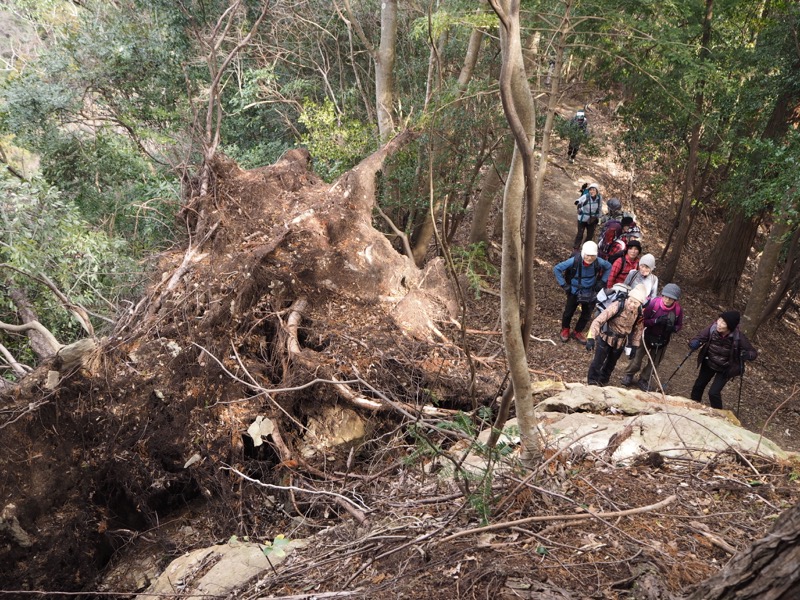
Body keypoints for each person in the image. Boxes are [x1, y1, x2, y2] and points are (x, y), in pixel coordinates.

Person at [688, 311, 757, 410]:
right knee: (698, 386)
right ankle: (693, 407)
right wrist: (695, 343)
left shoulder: (738, 337)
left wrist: (747, 355)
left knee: (713, 393)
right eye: (719, 320)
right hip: (709, 362)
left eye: (723, 323)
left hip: (725, 368)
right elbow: (699, 337)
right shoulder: (712, 328)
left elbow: (753, 353)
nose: (719, 324)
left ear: (730, 326)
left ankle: (719, 414)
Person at [623, 283, 684, 389]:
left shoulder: (677, 310)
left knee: (654, 362)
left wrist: (672, 328)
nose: (667, 300)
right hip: (646, 335)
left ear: (675, 300)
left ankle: (644, 379)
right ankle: (629, 374)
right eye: (665, 296)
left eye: (671, 298)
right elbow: (642, 321)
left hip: (663, 339)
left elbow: (679, 325)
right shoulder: (654, 304)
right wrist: (655, 321)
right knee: (637, 358)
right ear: (662, 295)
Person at [585, 284, 648, 386]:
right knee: (598, 362)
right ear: (628, 298)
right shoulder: (617, 305)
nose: (632, 305)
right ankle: (592, 382)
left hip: (620, 342)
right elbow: (599, 320)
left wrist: (634, 346)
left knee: (611, 364)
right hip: (606, 337)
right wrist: (591, 337)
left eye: (635, 303)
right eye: (631, 301)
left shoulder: (639, 313)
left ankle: (602, 381)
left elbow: (638, 329)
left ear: (640, 304)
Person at [553, 240, 612, 343]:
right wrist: (564, 285)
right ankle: (565, 329)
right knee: (568, 312)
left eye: (592, 256)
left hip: (590, 291)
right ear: (583, 253)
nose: (589, 258)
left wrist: (602, 282)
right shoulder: (574, 261)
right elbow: (557, 268)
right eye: (587, 255)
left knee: (586, 314)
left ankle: (578, 331)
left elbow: (609, 267)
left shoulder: (598, 261)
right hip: (574, 291)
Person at [574, 182, 602, 249]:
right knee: (580, 234)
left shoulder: (599, 198)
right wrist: (577, 202)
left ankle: (585, 248)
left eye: (593, 190)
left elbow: (600, 208)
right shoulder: (586, 196)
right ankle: (576, 248)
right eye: (590, 190)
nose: (591, 191)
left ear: (597, 191)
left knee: (590, 235)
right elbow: (579, 200)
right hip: (582, 218)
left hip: (592, 219)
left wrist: (599, 218)